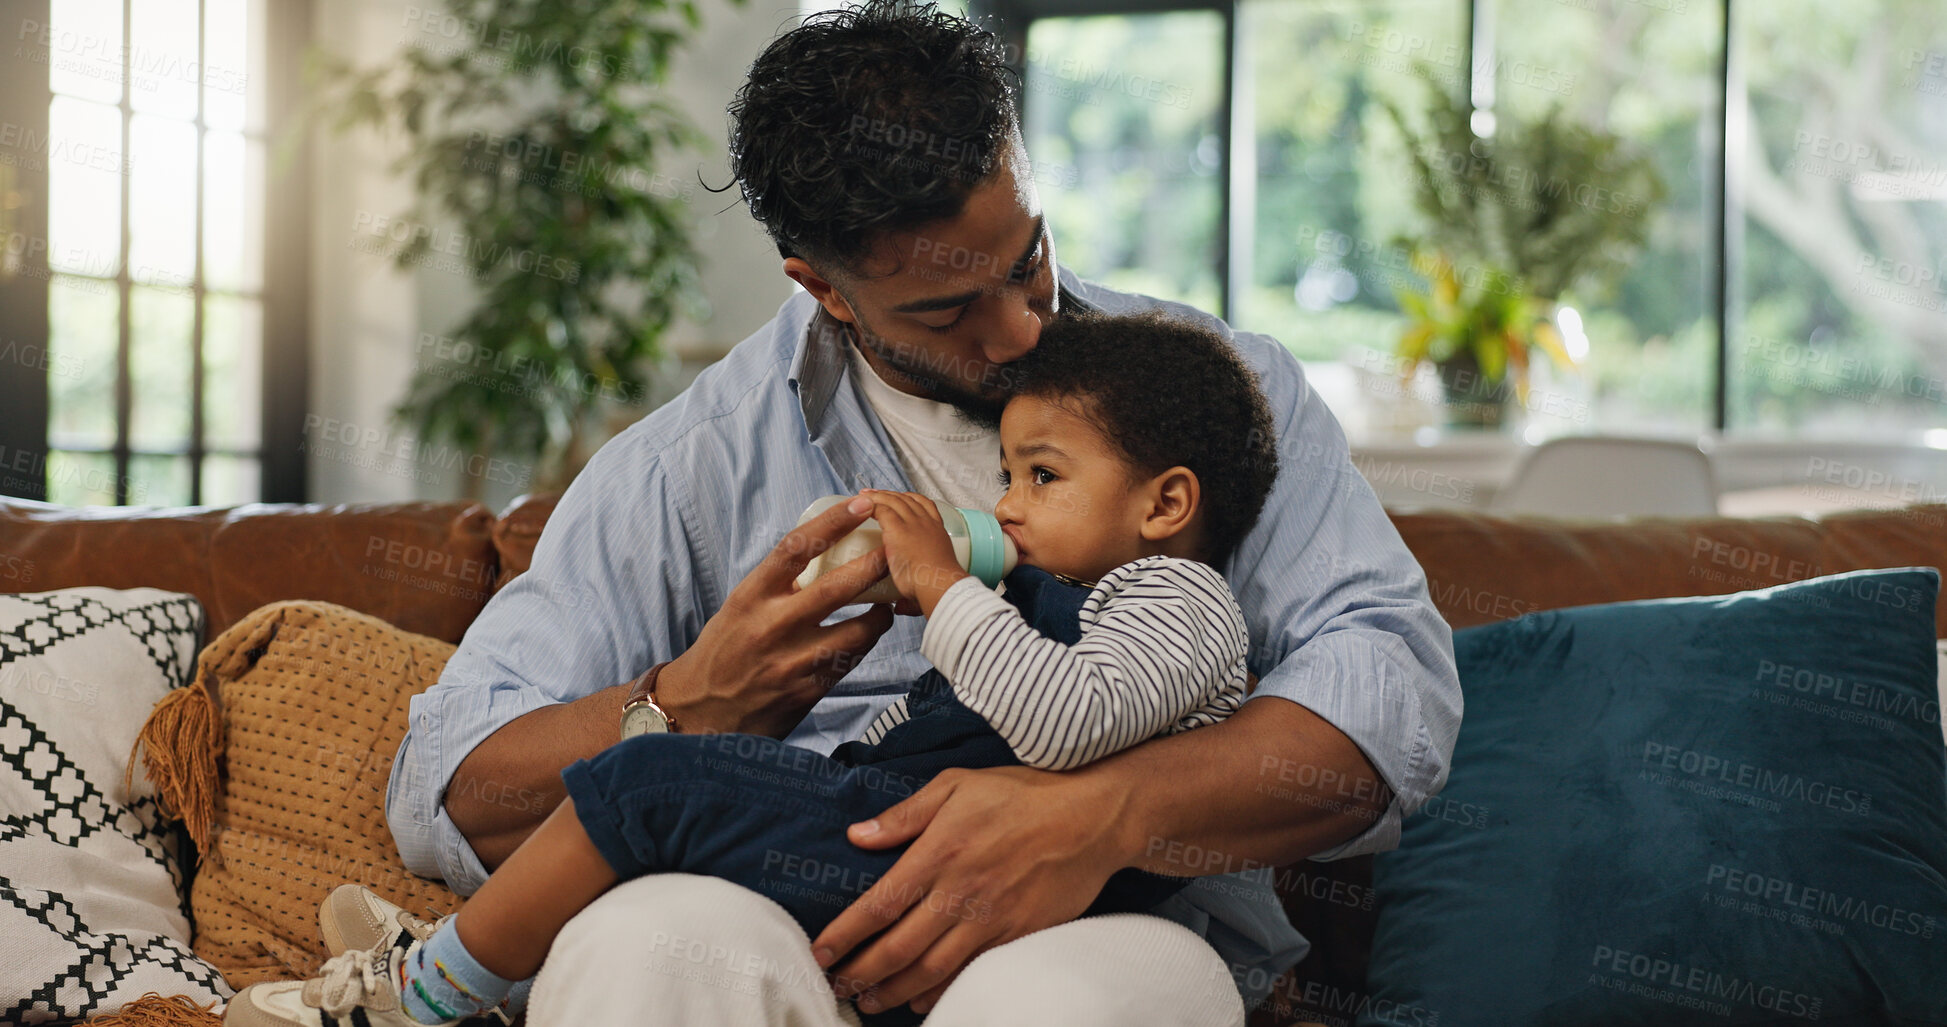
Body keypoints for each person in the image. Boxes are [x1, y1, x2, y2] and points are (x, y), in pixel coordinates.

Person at [379, 2, 1462, 1024]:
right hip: (775, 903)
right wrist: (685, 703)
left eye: (1027, 258)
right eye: (947, 308)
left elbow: (1391, 691)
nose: (1023, 332)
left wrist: (1103, 812)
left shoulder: (1222, 394)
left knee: (1062, 1004)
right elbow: (445, 788)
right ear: (825, 289)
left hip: (1126, 914)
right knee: (651, 940)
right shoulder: (685, 470)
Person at [222, 310, 1283, 1027]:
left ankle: (431, 988)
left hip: (1031, 894)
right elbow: (924, 730)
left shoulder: (1177, 601)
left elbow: (1065, 723)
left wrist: (942, 589)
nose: (1004, 505)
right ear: (823, 287)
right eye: (1006, 473)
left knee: (650, 783)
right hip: (898, 843)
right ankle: (468, 955)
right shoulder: (692, 460)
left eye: (1042, 476)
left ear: (1166, 505)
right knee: (664, 801)